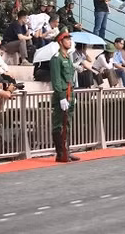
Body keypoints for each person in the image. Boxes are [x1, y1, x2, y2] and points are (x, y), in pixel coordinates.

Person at [50, 32, 78, 162]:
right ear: (60, 42)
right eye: (66, 39)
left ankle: (67, 150)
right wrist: (61, 97)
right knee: (59, 124)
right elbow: (56, 80)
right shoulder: (57, 58)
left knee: (68, 123)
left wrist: (72, 94)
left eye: (69, 39)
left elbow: (69, 78)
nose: (69, 41)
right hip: (61, 95)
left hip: (69, 93)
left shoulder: (67, 57)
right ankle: (60, 152)